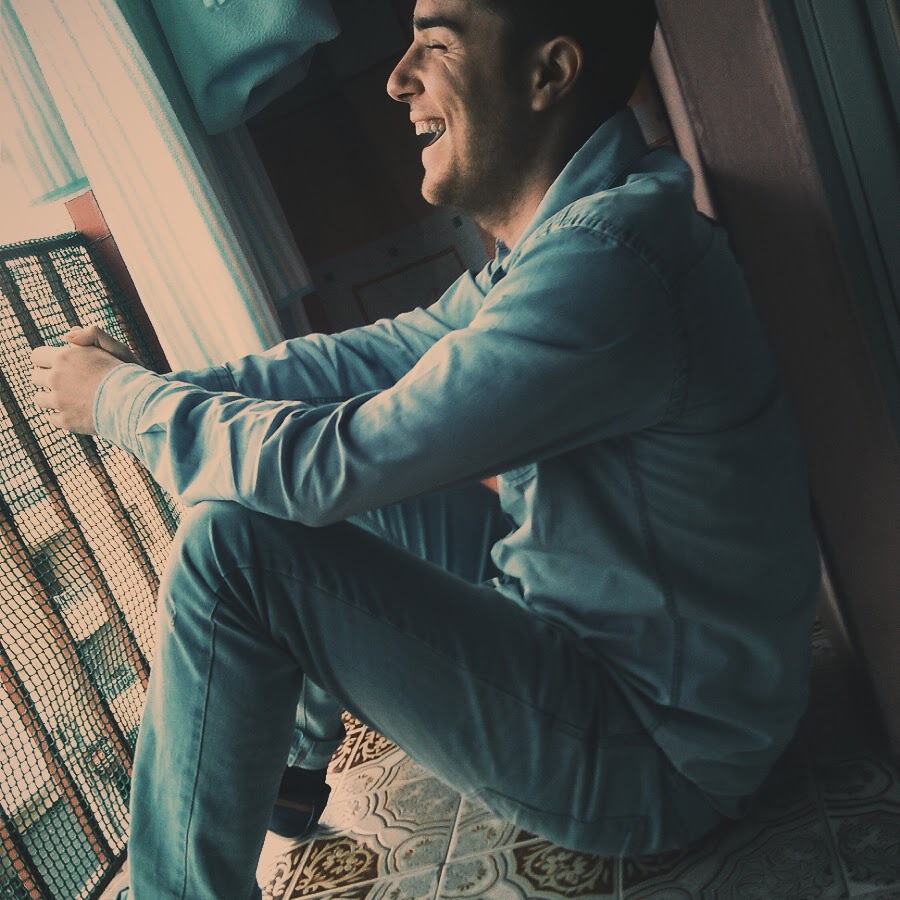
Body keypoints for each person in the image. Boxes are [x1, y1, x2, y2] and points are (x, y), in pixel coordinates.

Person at [30, 0, 822, 897]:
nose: (398, 79)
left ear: (548, 74)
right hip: (596, 632)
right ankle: (292, 770)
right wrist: (169, 385)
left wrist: (120, 400)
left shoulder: (606, 263)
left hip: (658, 751)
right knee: (260, 490)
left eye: (435, 45)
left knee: (234, 548)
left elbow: (332, 467)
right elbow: (363, 360)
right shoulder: (580, 234)